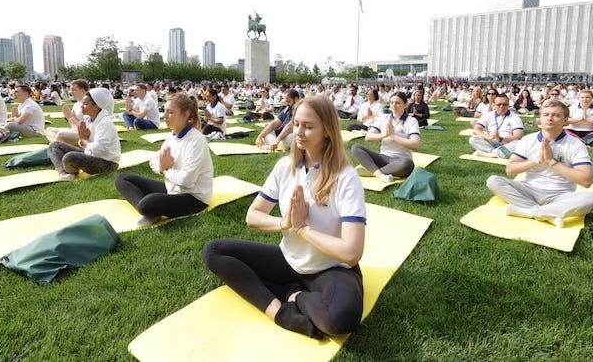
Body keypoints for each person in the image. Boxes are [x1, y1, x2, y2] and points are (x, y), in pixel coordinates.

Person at [203, 95, 366, 338]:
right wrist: (285, 223)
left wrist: (302, 229)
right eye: (297, 124)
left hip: (330, 268)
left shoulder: (346, 177)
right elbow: (253, 216)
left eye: (309, 127)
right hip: (289, 260)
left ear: (328, 131)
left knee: (340, 320)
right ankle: (281, 313)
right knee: (215, 251)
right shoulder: (285, 167)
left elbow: (351, 253)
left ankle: (295, 295)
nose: (299, 132)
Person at [485, 99, 593, 228]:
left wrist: (552, 162)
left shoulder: (575, 144)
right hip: (529, 189)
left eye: (556, 115)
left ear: (565, 120)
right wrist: (536, 161)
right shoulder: (528, 140)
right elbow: (510, 169)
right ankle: (549, 214)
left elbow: (586, 181)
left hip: (561, 195)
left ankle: (529, 212)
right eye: (546, 115)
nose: (550, 118)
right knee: (493, 181)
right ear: (540, 118)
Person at [116, 93, 214, 226]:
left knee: (148, 203)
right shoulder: (172, 136)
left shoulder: (196, 140)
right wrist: (162, 168)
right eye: (165, 111)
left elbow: (187, 181)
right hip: (173, 189)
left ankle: (150, 209)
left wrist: (165, 171)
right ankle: (152, 211)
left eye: (170, 112)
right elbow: (154, 160)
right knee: (123, 179)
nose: (165, 116)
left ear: (185, 115)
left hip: (194, 198)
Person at [48, 87, 121, 181]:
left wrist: (83, 140)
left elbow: (97, 150)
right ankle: (64, 173)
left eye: (86, 104)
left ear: (96, 106)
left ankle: (68, 169)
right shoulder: (88, 120)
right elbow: (86, 147)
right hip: (92, 156)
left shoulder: (105, 123)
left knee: (70, 157)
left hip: (107, 163)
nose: (82, 106)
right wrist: (82, 140)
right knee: (54, 145)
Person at [351, 91, 421, 182]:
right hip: (383, 157)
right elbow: (368, 137)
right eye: (391, 103)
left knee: (408, 164)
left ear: (405, 104)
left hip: (401, 159)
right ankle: (379, 174)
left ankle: (372, 171)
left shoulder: (411, 121)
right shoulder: (384, 118)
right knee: (356, 148)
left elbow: (415, 144)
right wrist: (385, 134)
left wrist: (393, 136)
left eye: (397, 103)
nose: (394, 105)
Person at [469, 93, 524, 158]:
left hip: (507, 143)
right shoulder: (488, 115)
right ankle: (495, 153)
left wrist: (501, 139)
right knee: (473, 139)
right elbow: (476, 129)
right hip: (491, 141)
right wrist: (487, 137)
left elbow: (519, 136)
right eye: (499, 104)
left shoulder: (515, 117)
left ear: (508, 105)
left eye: (504, 104)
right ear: (494, 105)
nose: (501, 106)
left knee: (519, 143)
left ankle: (490, 153)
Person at [45, 79, 90, 145]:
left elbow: (87, 129)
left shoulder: (88, 105)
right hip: (74, 131)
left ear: (82, 90)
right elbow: (73, 125)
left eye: (73, 89)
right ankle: (57, 143)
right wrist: (69, 117)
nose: (70, 92)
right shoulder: (76, 104)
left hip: (84, 135)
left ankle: (57, 143)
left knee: (60, 135)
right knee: (49, 130)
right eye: (71, 89)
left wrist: (71, 117)